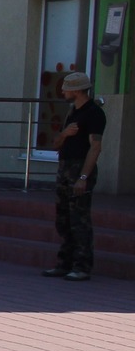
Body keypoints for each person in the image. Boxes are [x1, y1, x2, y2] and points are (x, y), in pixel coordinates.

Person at [47, 70, 105, 282]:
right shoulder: (72, 112)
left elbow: (95, 147)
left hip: (79, 169)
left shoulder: (94, 113)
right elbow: (56, 144)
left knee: (79, 219)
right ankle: (64, 263)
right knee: (63, 219)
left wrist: (83, 177)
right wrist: (64, 133)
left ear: (78, 91)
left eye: (66, 89)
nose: (63, 92)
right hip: (64, 167)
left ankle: (82, 266)